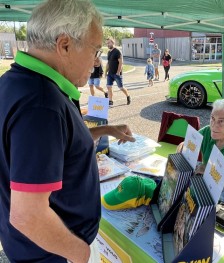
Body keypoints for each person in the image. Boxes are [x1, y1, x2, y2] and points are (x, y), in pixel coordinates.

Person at [0, 0, 135, 262]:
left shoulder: (15, 82)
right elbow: (28, 215)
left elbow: (56, 147)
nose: (97, 61)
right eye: (95, 49)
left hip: (33, 247)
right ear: (65, 45)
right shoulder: (42, 104)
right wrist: (80, 253)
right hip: (55, 253)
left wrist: (105, 129)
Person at [105, 37, 131, 106]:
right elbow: (108, 63)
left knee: (121, 87)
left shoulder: (117, 51)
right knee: (109, 86)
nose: (108, 44)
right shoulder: (108, 52)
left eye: (109, 43)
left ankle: (128, 96)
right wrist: (105, 72)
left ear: (113, 42)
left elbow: (121, 62)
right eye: (107, 43)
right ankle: (110, 101)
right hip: (110, 73)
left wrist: (118, 72)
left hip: (117, 73)